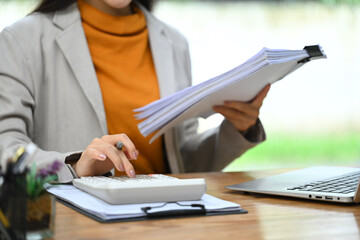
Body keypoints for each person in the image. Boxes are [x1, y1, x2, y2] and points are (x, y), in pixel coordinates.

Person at [0, 0, 269, 182]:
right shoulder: (21, 41)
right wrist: (73, 166)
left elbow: (181, 161)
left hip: (167, 220)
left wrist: (238, 129)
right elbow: (6, 150)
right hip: (77, 226)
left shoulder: (174, 43)